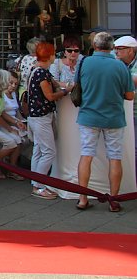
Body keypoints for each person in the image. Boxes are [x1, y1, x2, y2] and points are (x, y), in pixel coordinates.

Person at [75, 32, 134, 211]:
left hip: (88, 115)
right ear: (111, 47)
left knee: (86, 155)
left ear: (94, 44)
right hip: (113, 117)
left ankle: (82, 198)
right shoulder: (120, 66)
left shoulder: (84, 62)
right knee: (115, 158)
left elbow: (77, 85)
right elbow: (130, 96)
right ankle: (113, 200)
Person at [27, 41, 71, 200]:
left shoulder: (36, 70)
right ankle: (39, 186)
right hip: (41, 117)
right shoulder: (42, 73)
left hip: (35, 116)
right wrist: (66, 91)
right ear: (49, 55)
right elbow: (50, 96)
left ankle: (36, 182)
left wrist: (64, 87)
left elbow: (53, 85)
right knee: (49, 151)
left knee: (39, 150)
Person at [112, 35, 137, 180]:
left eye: (120, 49)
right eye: (115, 49)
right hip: (124, 111)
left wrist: (119, 70)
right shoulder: (119, 63)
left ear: (130, 51)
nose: (116, 52)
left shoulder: (123, 65)